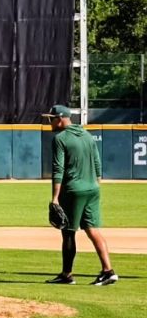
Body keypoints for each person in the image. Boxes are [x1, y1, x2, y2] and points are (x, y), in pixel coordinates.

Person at [42, 105, 117, 285]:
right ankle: (108, 271)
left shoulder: (60, 139)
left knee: (68, 233)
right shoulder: (87, 135)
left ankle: (67, 275)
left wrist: (54, 198)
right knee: (92, 229)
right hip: (92, 189)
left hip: (73, 190)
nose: (49, 121)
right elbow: (97, 163)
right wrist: (94, 184)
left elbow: (58, 169)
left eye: (51, 118)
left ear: (60, 118)